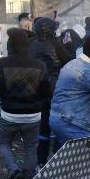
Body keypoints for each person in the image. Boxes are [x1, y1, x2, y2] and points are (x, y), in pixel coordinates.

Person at [0, 29, 50, 179]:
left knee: (3, 143)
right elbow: (46, 89)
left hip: (9, 113)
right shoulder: (39, 64)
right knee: (31, 148)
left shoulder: (3, 63)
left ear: (10, 44)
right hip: (33, 115)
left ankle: (14, 171)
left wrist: (5, 97)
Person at [28, 17, 71, 166]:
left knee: (42, 127)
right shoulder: (56, 45)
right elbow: (69, 62)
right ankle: (57, 161)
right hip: (55, 88)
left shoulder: (30, 44)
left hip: (35, 87)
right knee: (58, 124)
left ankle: (41, 162)